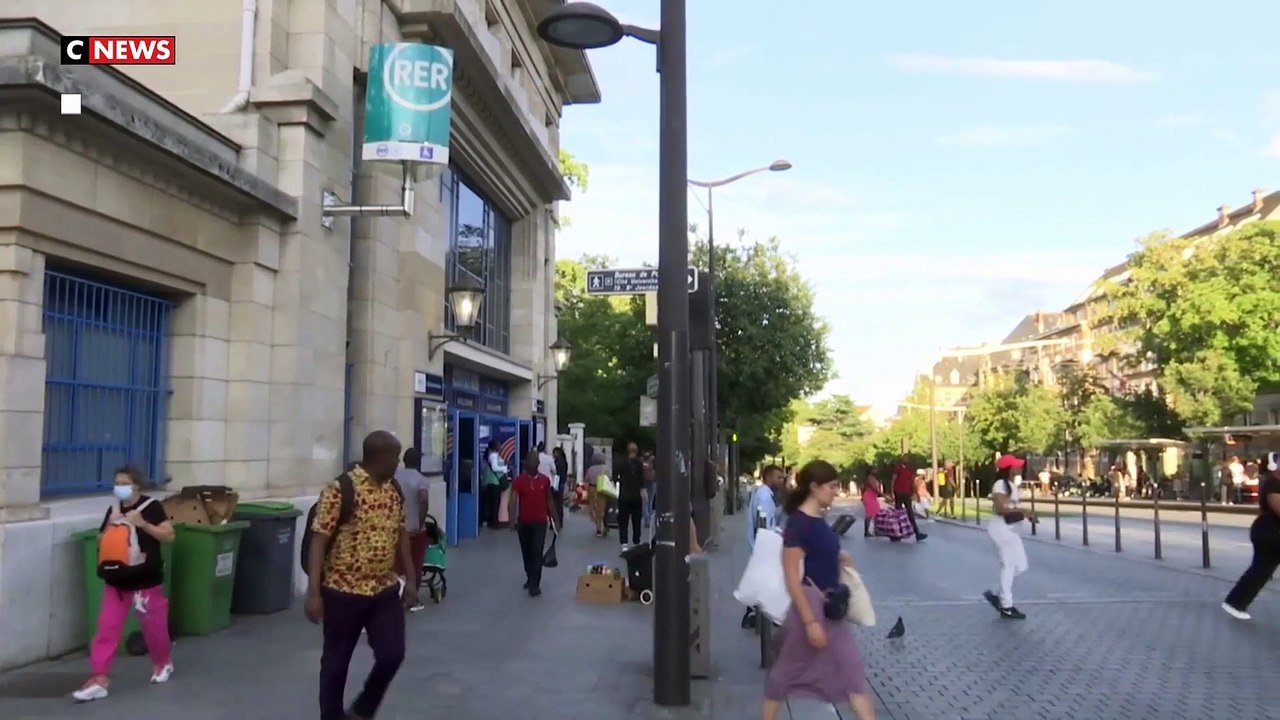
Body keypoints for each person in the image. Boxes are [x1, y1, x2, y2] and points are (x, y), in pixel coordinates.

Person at [306, 431, 418, 720]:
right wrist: (314, 592)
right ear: (379, 457)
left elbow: (401, 533)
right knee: (336, 662)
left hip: (383, 589)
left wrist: (411, 578)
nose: (398, 462)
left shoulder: (393, 489)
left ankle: (363, 709)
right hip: (342, 591)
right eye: (395, 456)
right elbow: (319, 539)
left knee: (393, 653)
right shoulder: (340, 489)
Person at [762, 460, 875, 720]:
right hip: (811, 609)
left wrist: (838, 557)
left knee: (852, 673)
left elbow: (814, 555)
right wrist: (811, 622)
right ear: (814, 487)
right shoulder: (801, 523)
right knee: (784, 676)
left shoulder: (816, 519)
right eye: (832, 486)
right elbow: (791, 573)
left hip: (830, 610)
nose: (836, 491)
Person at [73, 465, 176, 702]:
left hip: (145, 581)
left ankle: (162, 663)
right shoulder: (114, 509)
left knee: (154, 629)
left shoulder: (151, 508)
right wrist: (112, 526)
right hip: (117, 581)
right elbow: (100, 538)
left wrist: (142, 524)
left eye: (124, 483)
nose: (119, 487)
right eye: (117, 483)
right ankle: (99, 679)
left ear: (136, 485)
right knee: (106, 628)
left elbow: (169, 535)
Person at [1222, 451, 1280, 620]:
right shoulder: (1273, 484)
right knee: (1261, 570)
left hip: (1268, 530)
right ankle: (1235, 603)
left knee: (1260, 570)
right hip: (1269, 531)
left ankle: (1235, 603)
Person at [982, 456, 1035, 620]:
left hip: (1011, 530)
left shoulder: (1012, 485)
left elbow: (1011, 507)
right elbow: (1000, 508)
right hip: (1001, 530)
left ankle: (996, 594)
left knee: (1021, 566)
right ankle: (1006, 606)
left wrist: (1026, 514)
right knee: (1010, 565)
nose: (1019, 468)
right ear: (1009, 468)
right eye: (1016, 466)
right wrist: (1023, 513)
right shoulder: (1000, 485)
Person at [509, 453, 558, 596]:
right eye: (531, 462)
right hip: (524, 522)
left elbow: (549, 499)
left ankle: (535, 583)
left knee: (537, 552)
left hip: (540, 522)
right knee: (527, 553)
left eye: (536, 462)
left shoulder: (544, 481)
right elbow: (513, 500)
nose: (534, 465)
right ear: (526, 464)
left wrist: (555, 519)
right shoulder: (519, 481)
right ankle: (529, 577)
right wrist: (512, 520)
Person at [393, 447, 431, 613]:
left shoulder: (394, 477)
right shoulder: (421, 480)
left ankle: (395, 594)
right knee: (415, 563)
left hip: (396, 527)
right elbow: (423, 500)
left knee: (396, 563)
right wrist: (421, 521)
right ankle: (412, 598)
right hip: (414, 528)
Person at [614, 441, 645, 546]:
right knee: (636, 520)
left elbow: (615, 477)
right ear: (636, 451)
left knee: (623, 520)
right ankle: (636, 540)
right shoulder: (639, 463)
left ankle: (624, 543)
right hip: (636, 496)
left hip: (624, 495)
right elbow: (642, 480)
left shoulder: (621, 463)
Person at [890, 457, 927, 542]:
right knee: (898, 514)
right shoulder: (897, 469)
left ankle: (917, 533)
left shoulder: (909, 470)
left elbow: (912, 482)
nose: (907, 461)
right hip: (899, 492)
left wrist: (914, 492)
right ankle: (896, 533)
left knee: (910, 513)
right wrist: (892, 492)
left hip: (906, 493)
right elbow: (893, 480)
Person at [482, 439, 508, 528]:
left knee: (493, 503)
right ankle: (494, 522)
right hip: (494, 482)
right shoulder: (493, 455)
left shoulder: (493, 455)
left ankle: (492, 521)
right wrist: (504, 469)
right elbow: (494, 467)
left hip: (493, 481)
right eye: (498, 445)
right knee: (495, 503)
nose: (500, 446)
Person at [583, 450, 609, 537]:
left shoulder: (590, 469)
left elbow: (586, 479)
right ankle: (602, 524)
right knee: (602, 507)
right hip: (602, 489)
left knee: (593, 507)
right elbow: (609, 478)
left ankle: (598, 527)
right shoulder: (606, 468)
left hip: (592, 489)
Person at [861, 470, 883, 537]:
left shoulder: (873, 478)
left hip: (873, 497)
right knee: (869, 515)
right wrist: (882, 494)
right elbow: (873, 488)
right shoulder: (870, 478)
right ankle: (866, 532)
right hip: (869, 497)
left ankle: (876, 530)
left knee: (877, 513)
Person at [551, 446, 570, 526]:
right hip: (561, 482)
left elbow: (556, 473)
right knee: (559, 503)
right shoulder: (564, 462)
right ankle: (559, 520)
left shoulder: (557, 462)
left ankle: (555, 521)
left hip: (556, 481)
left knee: (555, 502)